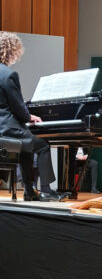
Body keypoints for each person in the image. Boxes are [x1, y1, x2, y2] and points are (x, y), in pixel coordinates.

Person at [0, 31, 64, 201]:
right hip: (7, 129)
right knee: (42, 144)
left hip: (2, 129)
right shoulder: (8, 74)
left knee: (27, 144)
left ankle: (29, 191)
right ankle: (45, 190)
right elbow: (18, 107)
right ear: (11, 51)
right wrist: (29, 117)